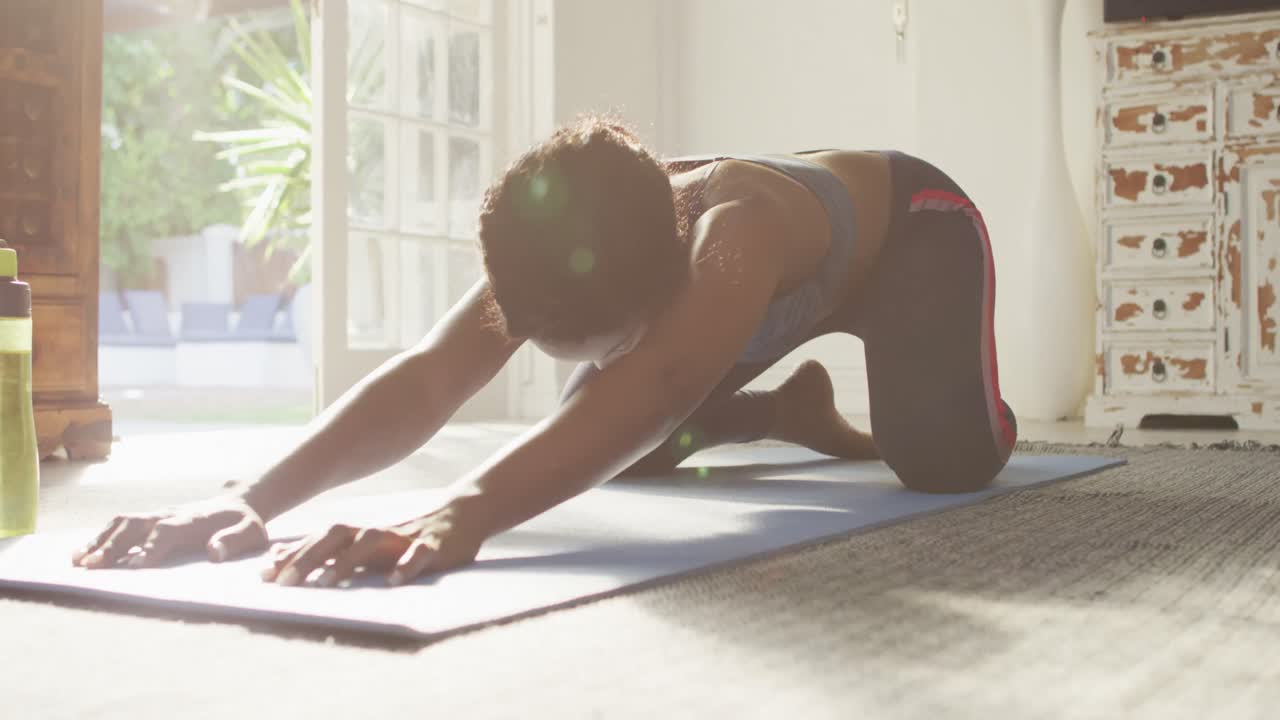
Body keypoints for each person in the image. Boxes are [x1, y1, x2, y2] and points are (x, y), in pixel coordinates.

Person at [71, 116, 1017, 588]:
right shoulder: (566, 239)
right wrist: (246, 499)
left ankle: (951, 407)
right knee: (608, 443)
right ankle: (785, 413)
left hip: (912, 243)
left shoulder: (739, 233)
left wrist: (461, 512)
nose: (590, 358)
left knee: (944, 463)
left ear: (657, 292)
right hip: (735, 313)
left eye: (602, 342)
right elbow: (433, 375)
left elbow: (661, 379)